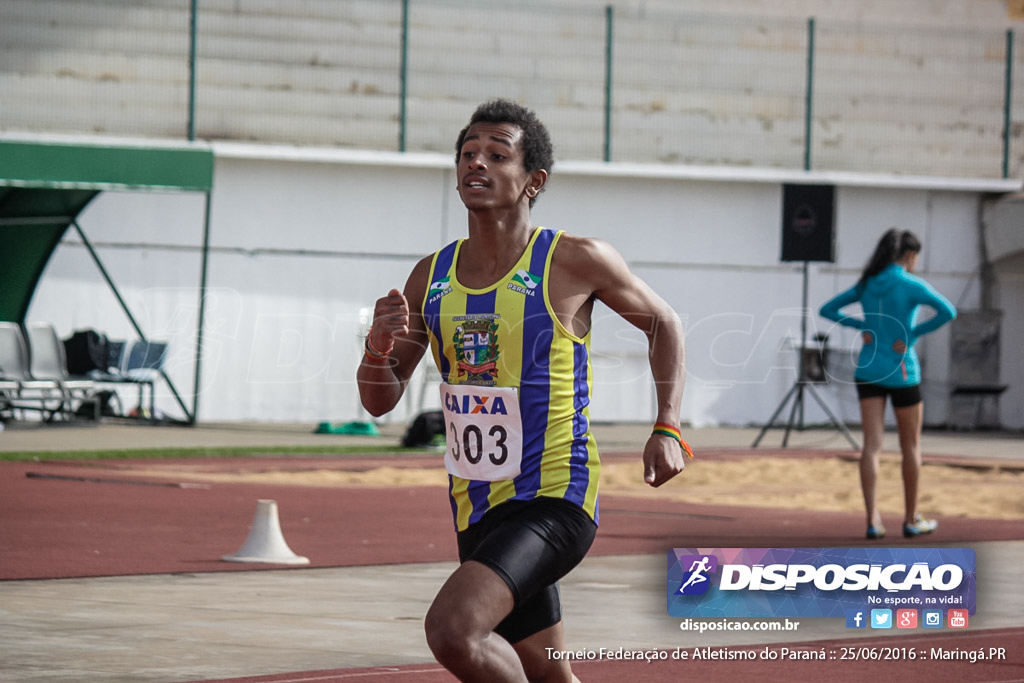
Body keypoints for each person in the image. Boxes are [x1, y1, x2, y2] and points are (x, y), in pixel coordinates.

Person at [356, 98, 691, 682]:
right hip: (476, 504)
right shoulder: (430, 276)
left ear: (533, 180)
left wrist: (666, 424)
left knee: (454, 631)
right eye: (467, 154)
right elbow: (380, 399)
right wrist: (377, 347)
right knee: (548, 673)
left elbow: (665, 322)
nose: (475, 164)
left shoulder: (573, 260)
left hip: (553, 498)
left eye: (495, 154)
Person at [819, 228, 956, 541]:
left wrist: (861, 325)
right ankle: (910, 519)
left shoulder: (867, 283)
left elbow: (827, 310)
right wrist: (911, 335)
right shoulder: (910, 284)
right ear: (909, 255)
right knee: (911, 447)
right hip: (902, 371)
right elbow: (948, 311)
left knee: (871, 446)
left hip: (868, 369)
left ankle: (873, 521)